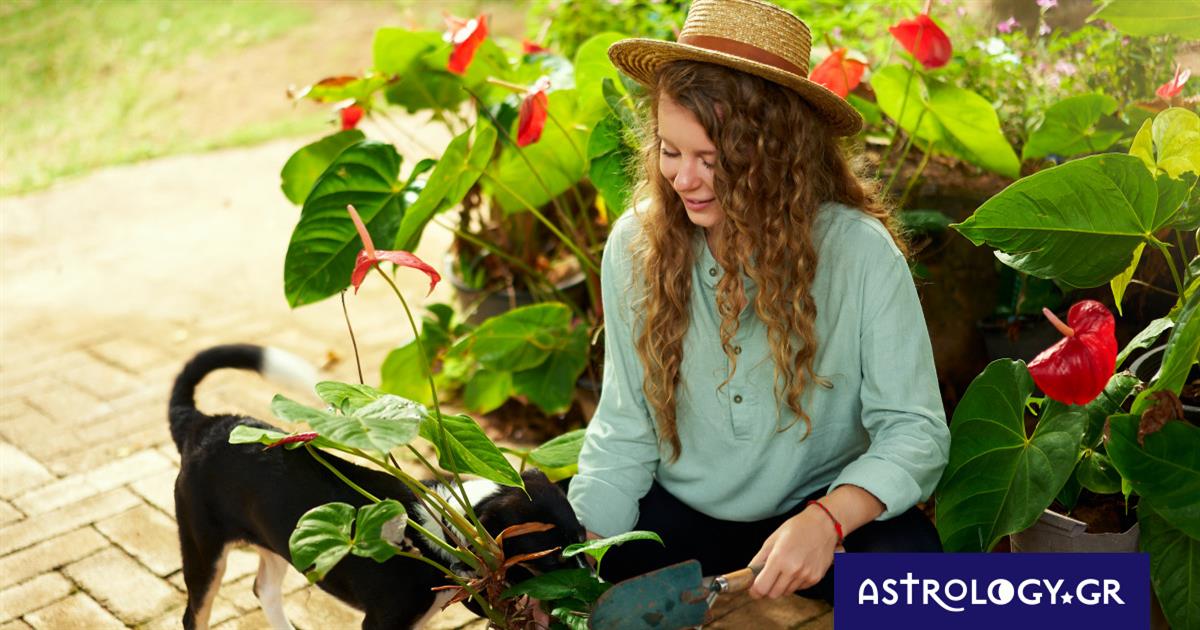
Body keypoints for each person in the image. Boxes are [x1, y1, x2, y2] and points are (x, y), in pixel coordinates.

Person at [566, 0, 951, 602]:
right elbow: (624, 425)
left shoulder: (859, 252)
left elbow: (915, 430)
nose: (683, 180)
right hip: (679, 520)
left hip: (819, 513)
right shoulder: (637, 244)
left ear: (778, 155)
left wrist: (828, 520)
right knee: (555, 541)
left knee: (919, 585)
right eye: (670, 150)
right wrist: (582, 565)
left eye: (712, 160)